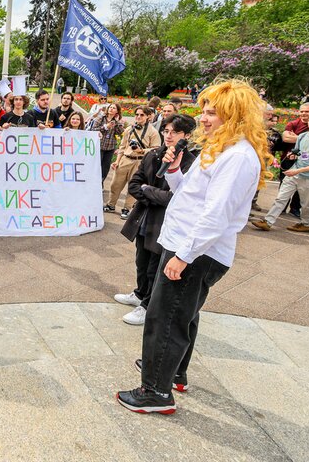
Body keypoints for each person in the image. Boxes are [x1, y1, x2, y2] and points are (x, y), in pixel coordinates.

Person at [116, 79, 272, 414]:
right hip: (185, 245)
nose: (203, 118)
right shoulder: (222, 148)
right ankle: (173, 374)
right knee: (182, 315)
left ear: (236, 116)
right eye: (204, 110)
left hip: (194, 251)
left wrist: (184, 256)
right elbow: (191, 194)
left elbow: (215, 214)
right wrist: (173, 171)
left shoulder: (238, 157)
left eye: (212, 112)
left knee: (165, 318)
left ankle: (155, 392)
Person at [115, 114, 197, 325]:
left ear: (186, 135)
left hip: (164, 223)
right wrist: (150, 194)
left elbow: (175, 198)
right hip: (143, 218)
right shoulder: (153, 155)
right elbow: (134, 185)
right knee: (141, 262)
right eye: (166, 131)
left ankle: (147, 306)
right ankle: (140, 294)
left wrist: (147, 190)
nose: (168, 136)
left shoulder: (190, 163)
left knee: (154, 267)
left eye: (174, 132)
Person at [251, 109, 309, 233]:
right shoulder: (302, 136)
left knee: (306, 204)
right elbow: (300, 153)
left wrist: (299, 170)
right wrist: (293, 157)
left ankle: (306, 224)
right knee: (280, 198)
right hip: (294, 173)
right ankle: (268, 221)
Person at [105, 106, 161, 219]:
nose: (139, 117)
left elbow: (156, 149)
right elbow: (122, 146)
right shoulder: (129, 129)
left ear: (148, 117)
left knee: (133, 186)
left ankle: (127, 208)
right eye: (137, 114)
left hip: (139, 162)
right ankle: (111, 204)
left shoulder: (153, 132)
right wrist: (117, 161)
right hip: (125, 159)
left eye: (142, 115)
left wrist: (142, 151)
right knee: (115, 184)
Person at [278, 103, 309, 217]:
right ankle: (281, 207)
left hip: (306, 159)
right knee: (284, 183)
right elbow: (285, 138)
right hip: (289, 157)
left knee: (301, 185)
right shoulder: (292, 124)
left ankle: (295, 208)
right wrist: (305, 137)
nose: (304, 114)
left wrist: (295, 137)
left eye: (307, 111)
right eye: (302, 111)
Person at [90, 103, 124, 183]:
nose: (111, 109)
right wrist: (105, 127)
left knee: (105, 168)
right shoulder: (101, 118)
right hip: (99, 146)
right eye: (110, 107)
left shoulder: (117, 121)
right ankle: (94, 183)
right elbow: (93, 129)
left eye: (114, 108)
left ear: (117, 111)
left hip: (110, 147)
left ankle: (101, 182)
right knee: (97, 166)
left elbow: (120, 132)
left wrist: (117, 122)